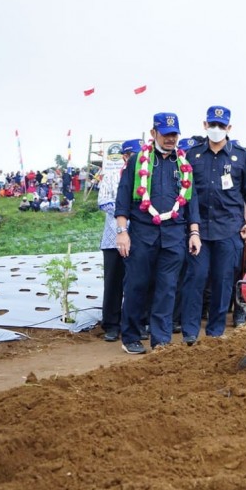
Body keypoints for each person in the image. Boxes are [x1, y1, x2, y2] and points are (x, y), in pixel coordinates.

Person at [115, 113, 202, 354]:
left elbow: (191, 201)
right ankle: (131, 335)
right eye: (165, 134)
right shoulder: (138, 161)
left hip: (174, 236)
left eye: (174, 134)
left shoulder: (183, 165)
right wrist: (122, 231)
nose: (170, 139)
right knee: (136, 284)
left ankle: (161, 340)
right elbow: (122, 198)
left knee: (167, 288)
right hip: (142, 234)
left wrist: (194, 232)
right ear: (154, 133)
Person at [179, 106, 246, 342]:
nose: (216, 129)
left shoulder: (241, 156)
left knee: (223, 281)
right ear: (205, 125)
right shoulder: (192, 155)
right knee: (195, 279)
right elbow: (186, 193)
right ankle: (190, 333)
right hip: (198, 230)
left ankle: (215, 332)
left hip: (229, 228)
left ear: (229, 128)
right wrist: (191, 227)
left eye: (221, 125)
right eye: (212, 124)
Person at [97, 139, 141, 342]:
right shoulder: (112, 176)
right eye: (134, 155)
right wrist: (127, 214)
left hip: (139, 237)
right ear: (125, 156)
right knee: (114, 283)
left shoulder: (145, 176)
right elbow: (104, 202)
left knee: (137, 281)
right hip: (114, 238)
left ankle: (134, 322)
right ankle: (112, 325)